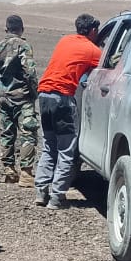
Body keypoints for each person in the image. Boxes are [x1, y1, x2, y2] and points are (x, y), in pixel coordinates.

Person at [34, 13, 102, 209]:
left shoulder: (65, 40)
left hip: (44, 96)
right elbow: (105, 68)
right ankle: (57, 197)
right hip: (62, 99)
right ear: (93, 30)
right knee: (66, 149)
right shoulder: (93, 51)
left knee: (49, 145)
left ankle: (41, 192)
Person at [0, 14, 39, 186]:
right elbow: (30, 72)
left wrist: (1, 90)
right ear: (21, 29)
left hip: (4, 97)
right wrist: (34, 92)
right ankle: (26, 173)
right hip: (22, 97)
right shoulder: (24, 46)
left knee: (7, 133)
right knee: (28, 132)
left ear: (6, 29)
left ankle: (9, 171)